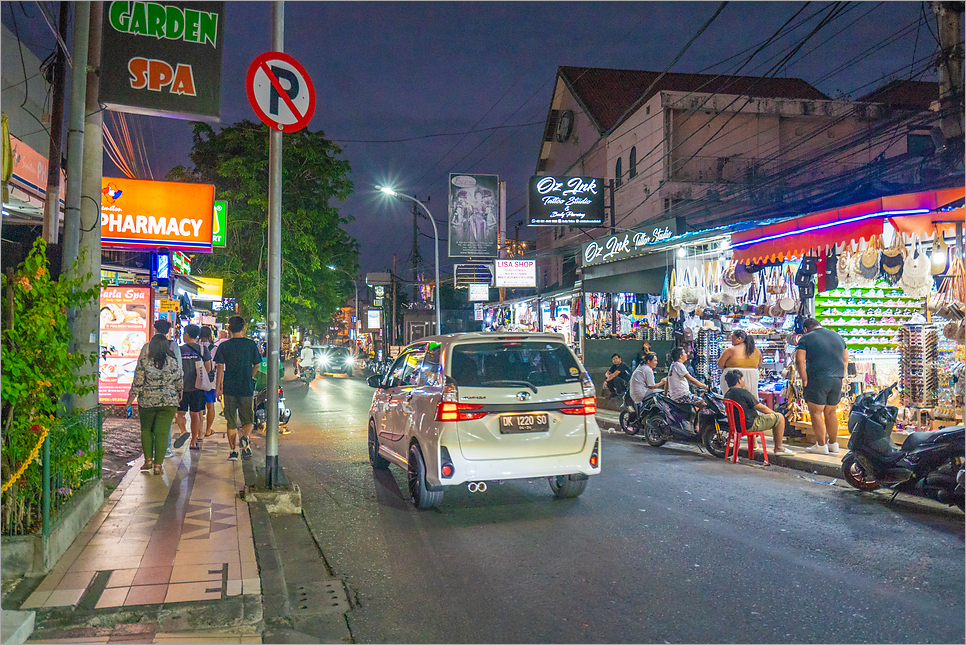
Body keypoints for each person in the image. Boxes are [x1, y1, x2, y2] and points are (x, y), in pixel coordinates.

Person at [126, 334, 183, 475]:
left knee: (146, 430)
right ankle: (158, 465)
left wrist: (129, 401)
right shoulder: (173, 361)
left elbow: (137, 383)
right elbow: (179, 381)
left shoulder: (144, 361)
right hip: (168, 402)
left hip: (147, 401)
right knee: (162, 433)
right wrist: (179, 395)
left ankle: (148, 461)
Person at [795, 318, 848, 455]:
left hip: (817, 378)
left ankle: (821, 445)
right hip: (837, 378)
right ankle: (833, 443)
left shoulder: (806, 338)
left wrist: (804, 378)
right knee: (831, 412)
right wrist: (841, 376)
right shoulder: (837, 336)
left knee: (816, 412)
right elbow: (845, 359)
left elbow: (799, 360)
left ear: (805, 329)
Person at [216, 316, 263, 461]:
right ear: (243, 328)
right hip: (246, 386)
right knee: (247, 419)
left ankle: (233, 452)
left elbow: (219, 367)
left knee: (230, 421)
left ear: (229, 329)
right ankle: (245, 439)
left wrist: (219, 387)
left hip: (229, 387)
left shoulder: (224, 346)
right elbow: (257, 365)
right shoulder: (250, 345)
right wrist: (249, 376)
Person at [139, 319, 186, 456]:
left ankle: (151, 451)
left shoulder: (147, 347)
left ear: (154, 329)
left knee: (148, 424)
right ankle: (165, 450)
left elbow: (140, 368)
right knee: (165, 424)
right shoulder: (173, 346)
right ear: (168, 331)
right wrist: (179, 389)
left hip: (148, 391)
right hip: (168, 391)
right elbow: (179, 369)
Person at [723, 369, 793, 455]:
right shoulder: (743, 392)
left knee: (773, 417)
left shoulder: (727, 394)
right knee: (780, 418)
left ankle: (756, 445)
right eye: (742, 379)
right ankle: (779, 448)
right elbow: (760, 407)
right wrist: (774, 414)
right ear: (739, 380)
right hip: (749, 425)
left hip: (736, 426)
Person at [176, 324, 213, 451]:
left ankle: (183, 431)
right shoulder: (203, 350)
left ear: (186, 334)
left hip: (182, 387)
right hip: (198, 387)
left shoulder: (179, 350)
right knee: (196, 414)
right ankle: (193, 441)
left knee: (180, 413)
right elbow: (208, 368)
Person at [717, 330, 763, 394]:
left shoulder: (731, 350)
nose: (731, 341)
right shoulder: (756, 350)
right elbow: (759, 364)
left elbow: (720, 365)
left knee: (732, 398)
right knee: (750, 400)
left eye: (732, 338)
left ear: (739, 339)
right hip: (753, 377)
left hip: (733, 378)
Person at [197, 326, 218, 439]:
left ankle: (199, 432)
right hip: (210, 380)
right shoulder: (214, 348)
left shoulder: (195, 347)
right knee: (210, 405)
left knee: (199, 408)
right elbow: (218, 366)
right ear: (210, 335)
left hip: (197, 380)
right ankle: (208, 430)